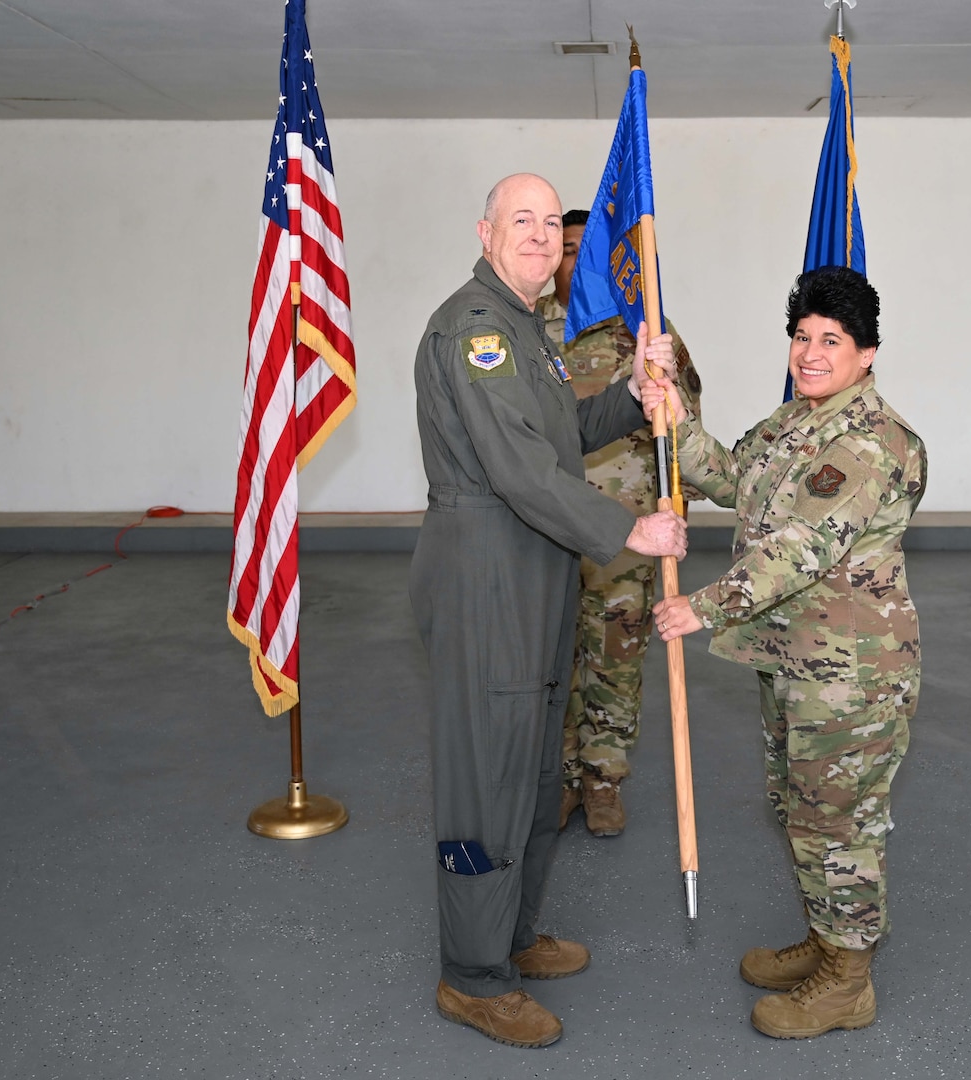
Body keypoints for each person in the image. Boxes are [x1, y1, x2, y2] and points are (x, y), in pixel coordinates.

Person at [409, 173, 687, 1049]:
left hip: (534, 568)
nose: (538, 235)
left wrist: (633, 399)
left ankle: (513, 939)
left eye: (546, 222)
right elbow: (520, 473)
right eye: (519, 220)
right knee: (487, 779)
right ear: (485, 231)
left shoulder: (528, 330)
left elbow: (555, 437)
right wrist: (629, 531)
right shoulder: (476, 332)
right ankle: (473, 976)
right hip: (487, 571)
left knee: (531, 773)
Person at [643, 266, 925, 1040]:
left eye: (831, 340)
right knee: (800, 811)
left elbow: (799, 550)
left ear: (867, 353)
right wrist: (671, 411)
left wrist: (699, 608)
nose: (811, 352)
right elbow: (730, 476)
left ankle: (848, 983)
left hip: (853, 678)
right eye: (802, 337)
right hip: (794, 662)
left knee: (839, 822)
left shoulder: (874, 443)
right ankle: (826, 940)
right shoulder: (791, 424)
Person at [537, 209, 703, 837]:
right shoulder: (530, 332)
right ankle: (558, 777)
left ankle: (603, 784)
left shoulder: (647, 333)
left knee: (613, 662)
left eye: (590, 251)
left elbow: (684, 423)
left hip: (625, 534)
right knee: (552, 661)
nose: (575, 261)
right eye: (568, 249)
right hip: (550, 527)